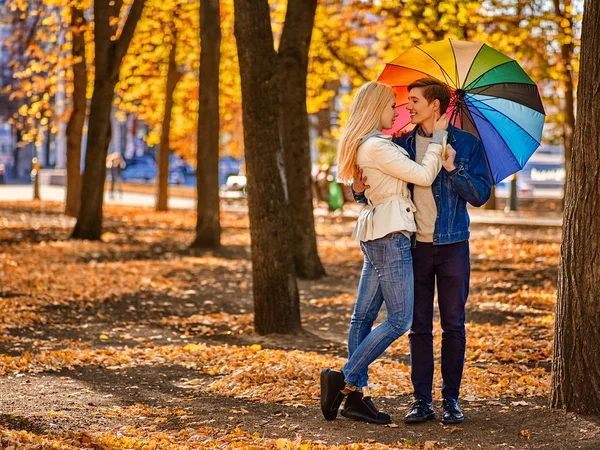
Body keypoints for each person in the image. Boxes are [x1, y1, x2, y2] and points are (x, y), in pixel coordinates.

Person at [353, 78, 492, 424]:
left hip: (453, 245)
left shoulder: (467, 144)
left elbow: (480, 194)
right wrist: (357, 192)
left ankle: (451, 400)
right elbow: (380, 185)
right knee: (417, 327)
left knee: (454, 324)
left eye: (414, 100)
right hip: (414, 246)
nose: (407, 107)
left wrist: (453, 168)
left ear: (435, 105)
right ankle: (421, 401)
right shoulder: (400, 143)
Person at [320, 81, 449, 425]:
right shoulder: (376, 146)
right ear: (375, 107)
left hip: (378, 233)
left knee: (362, 318)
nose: (397, 111)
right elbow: (422, 176)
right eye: (392, 105)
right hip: (390, 236)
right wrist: (438, 138)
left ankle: (355, 399)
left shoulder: (371, 144)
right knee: (399, 320)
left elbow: (370, 186)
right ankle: (344, 379)